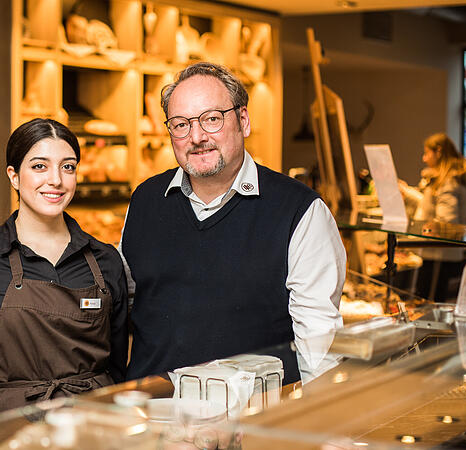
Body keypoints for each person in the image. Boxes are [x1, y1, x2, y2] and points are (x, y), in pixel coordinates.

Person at [120, 62, 345, 384]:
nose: (196, 137)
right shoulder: (146, 199)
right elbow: (124, 304)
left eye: (212, 119)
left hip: (254, 419)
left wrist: (315, 420)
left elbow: (318, 342)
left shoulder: (300, 210)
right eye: (181, 124)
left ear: (243, 120)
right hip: (156, 414)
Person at [0, 118, 128, 418]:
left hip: (90, 429)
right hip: (6, 431)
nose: (56, 180)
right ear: (14, 176)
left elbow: (118, 366)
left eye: (67, 167)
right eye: (39, 166)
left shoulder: (105, 261)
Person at [400, 132, 466, 301]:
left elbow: (446, 221)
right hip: (440, 254)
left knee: (428, 304)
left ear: (438, 152)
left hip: (439, 254)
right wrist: (408, 193)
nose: (424, 158)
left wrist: (420, 232)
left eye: (426, 153)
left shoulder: (447, 182)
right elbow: (433, 206)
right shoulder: (451, 180)